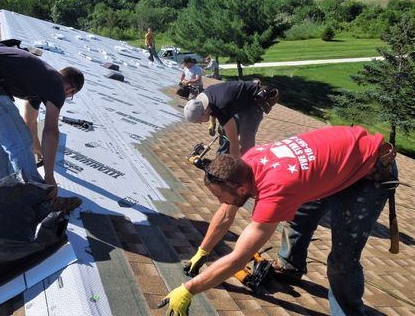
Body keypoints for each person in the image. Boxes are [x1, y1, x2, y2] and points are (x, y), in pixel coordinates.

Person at [159, 126, 398, 316]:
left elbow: (239, 258)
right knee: (301, 212)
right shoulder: (246, 162)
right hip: (337, 157)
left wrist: (189, 289)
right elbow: (226, 211)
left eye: (219, 195)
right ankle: (291, 265)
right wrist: (202, 251)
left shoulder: (275, 190)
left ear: (240, 188)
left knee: (342, 259)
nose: (221, 201)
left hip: (371, 169)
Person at [0, 45, 85, 211]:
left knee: (4, 136)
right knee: (19, 141)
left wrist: (36, 145)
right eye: (70, 96)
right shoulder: (56, 86)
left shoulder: (43, 79)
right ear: (71, 89)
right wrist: (49, 176)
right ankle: (43, 200)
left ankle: (1, 189)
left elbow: (29, 119)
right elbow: (51, 130)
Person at [183, 80, 278, 158]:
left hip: (253, 103)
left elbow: (234, 141)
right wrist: (212, 122)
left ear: (203, 112)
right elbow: (212, 108)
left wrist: (235, 164)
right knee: (224, 132)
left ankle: (246, 165)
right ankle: (221, 159)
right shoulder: (203, 100)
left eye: (199, 120)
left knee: (246, 141)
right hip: (236, 104)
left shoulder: (222, 108)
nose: (200, 123)